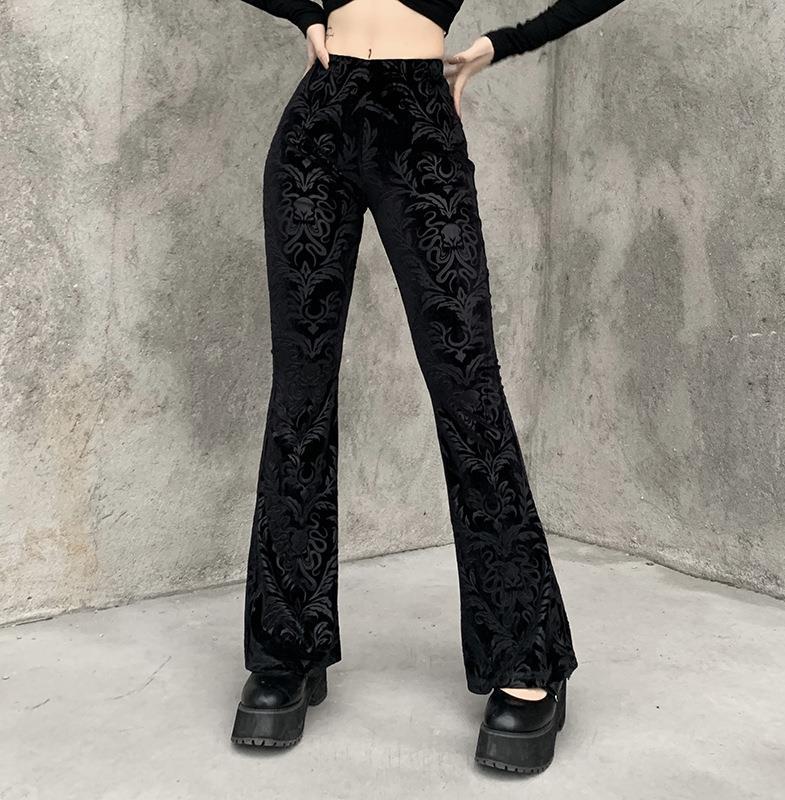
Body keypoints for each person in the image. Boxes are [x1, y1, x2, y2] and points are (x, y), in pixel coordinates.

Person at [230, 0, 626, 775]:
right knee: (300, 394)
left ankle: (527, 651)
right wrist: (304, 14)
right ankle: (287, 645)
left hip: (419, 124)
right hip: (318, 124)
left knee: (468, 389)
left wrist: (503, 44)